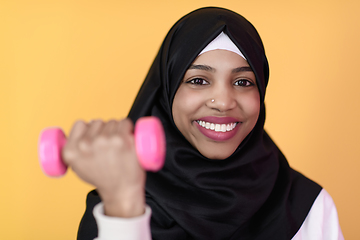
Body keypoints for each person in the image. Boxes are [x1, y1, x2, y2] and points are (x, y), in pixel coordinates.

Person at [64, 7, 344, 240]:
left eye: (243, 82)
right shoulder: (113, 205)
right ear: (167, 92)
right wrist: (124, 207)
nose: (223, 102)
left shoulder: (308, 206)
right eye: (198, 80)